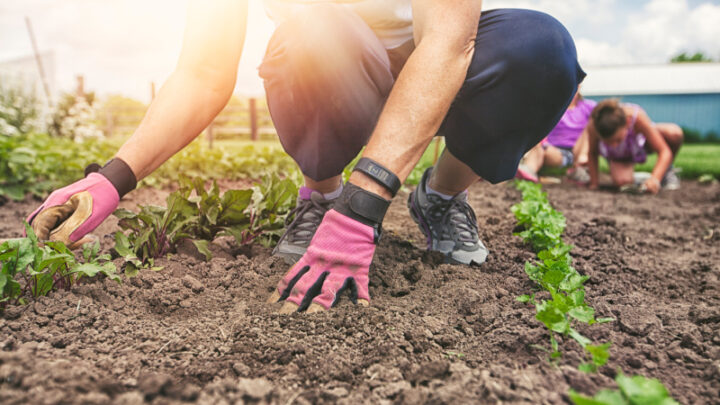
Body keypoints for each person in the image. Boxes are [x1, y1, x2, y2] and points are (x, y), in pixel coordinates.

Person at [27, 0, 585, 313]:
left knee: (541, 48)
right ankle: (321, 195)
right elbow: (202, 72)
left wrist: (365, 205)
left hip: (434, 55)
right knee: (313, 29)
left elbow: (450, 41)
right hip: (339, 60)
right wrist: (111, 178)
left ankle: (441, 195)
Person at [587, 99, 683, 193]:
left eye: (618, 140)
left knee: (674, 133)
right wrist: (594, 183)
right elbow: (592, 153)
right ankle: (642, 178)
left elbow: (664, 151)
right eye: (608, 142)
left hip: (640, 145)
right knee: (622, 182)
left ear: (628, 123)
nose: (614, 145)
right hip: (617, 156)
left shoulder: (637, 117)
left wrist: (655, 179)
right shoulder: (595, 125)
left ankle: (666, 173)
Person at [516, 90, 594, 183]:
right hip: (556, 151)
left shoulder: (589, 106)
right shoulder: (553, 107)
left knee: (590, 128)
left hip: (579, 149)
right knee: (539, 145)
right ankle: (528, 171)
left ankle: (580, 167)